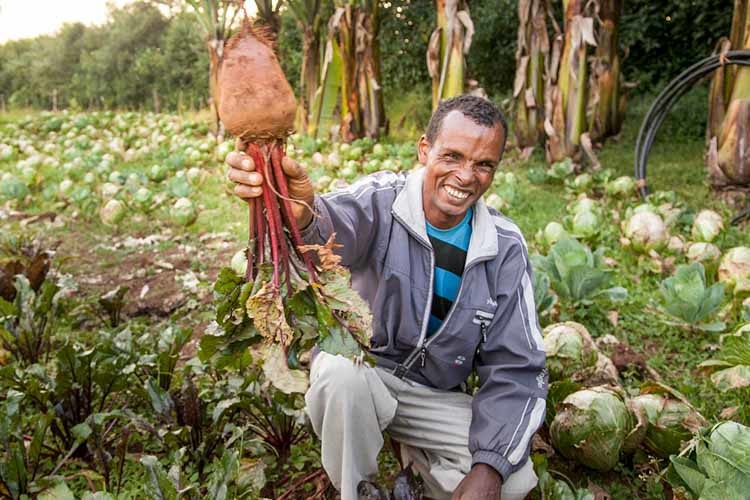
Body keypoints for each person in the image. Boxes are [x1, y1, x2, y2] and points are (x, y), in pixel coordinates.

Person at [226, 95, 547, 500]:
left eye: (484, 165)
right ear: (424, 150)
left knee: (511, 480)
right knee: (340, 377)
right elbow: (330, 231)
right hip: (366, 371)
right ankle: (355, 488)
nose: (466, 176)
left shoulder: (503, 247)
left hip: (434, 396)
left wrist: (489, 467)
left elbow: (517, 368)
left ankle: (413, 461)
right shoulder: (382, 200)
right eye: (452, 156)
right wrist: (303, 212)